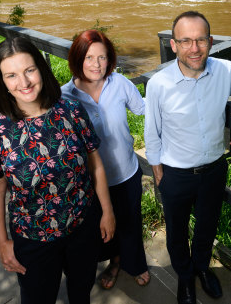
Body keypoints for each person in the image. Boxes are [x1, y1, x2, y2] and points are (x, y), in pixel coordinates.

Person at [0, 37, 116, 304]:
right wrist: (1, 242)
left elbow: (95, 163)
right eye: (12, 75)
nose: (24, 82)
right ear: (1, 81)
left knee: (81, 290)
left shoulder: (71, 112)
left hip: (82, 225)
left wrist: (107, 211)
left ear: (41, 68)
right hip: (32, 237)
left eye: (29, 70)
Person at [144, 10, 231, 304]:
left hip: (213, 169)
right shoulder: (159, 84)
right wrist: (158, 170)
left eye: (201, 40)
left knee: (207, 226)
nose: (194, 48)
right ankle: (185, 277)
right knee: (175, 232)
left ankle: (201, 268)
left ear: (211, 41)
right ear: (173, 45)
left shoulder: (225, 70)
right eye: (185, 41)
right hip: (174, 173)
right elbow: (152, 132)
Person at [61, 29, 150, 289]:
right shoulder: (65, 97)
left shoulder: (119, 83)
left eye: (102, 57)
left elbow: (144, 109)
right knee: (103, 228)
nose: (97, 65)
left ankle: (135, 264)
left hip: (125, 171)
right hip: (89, 181)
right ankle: (114, 263)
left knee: (131, 222)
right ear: (78, 59)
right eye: (89, 58)